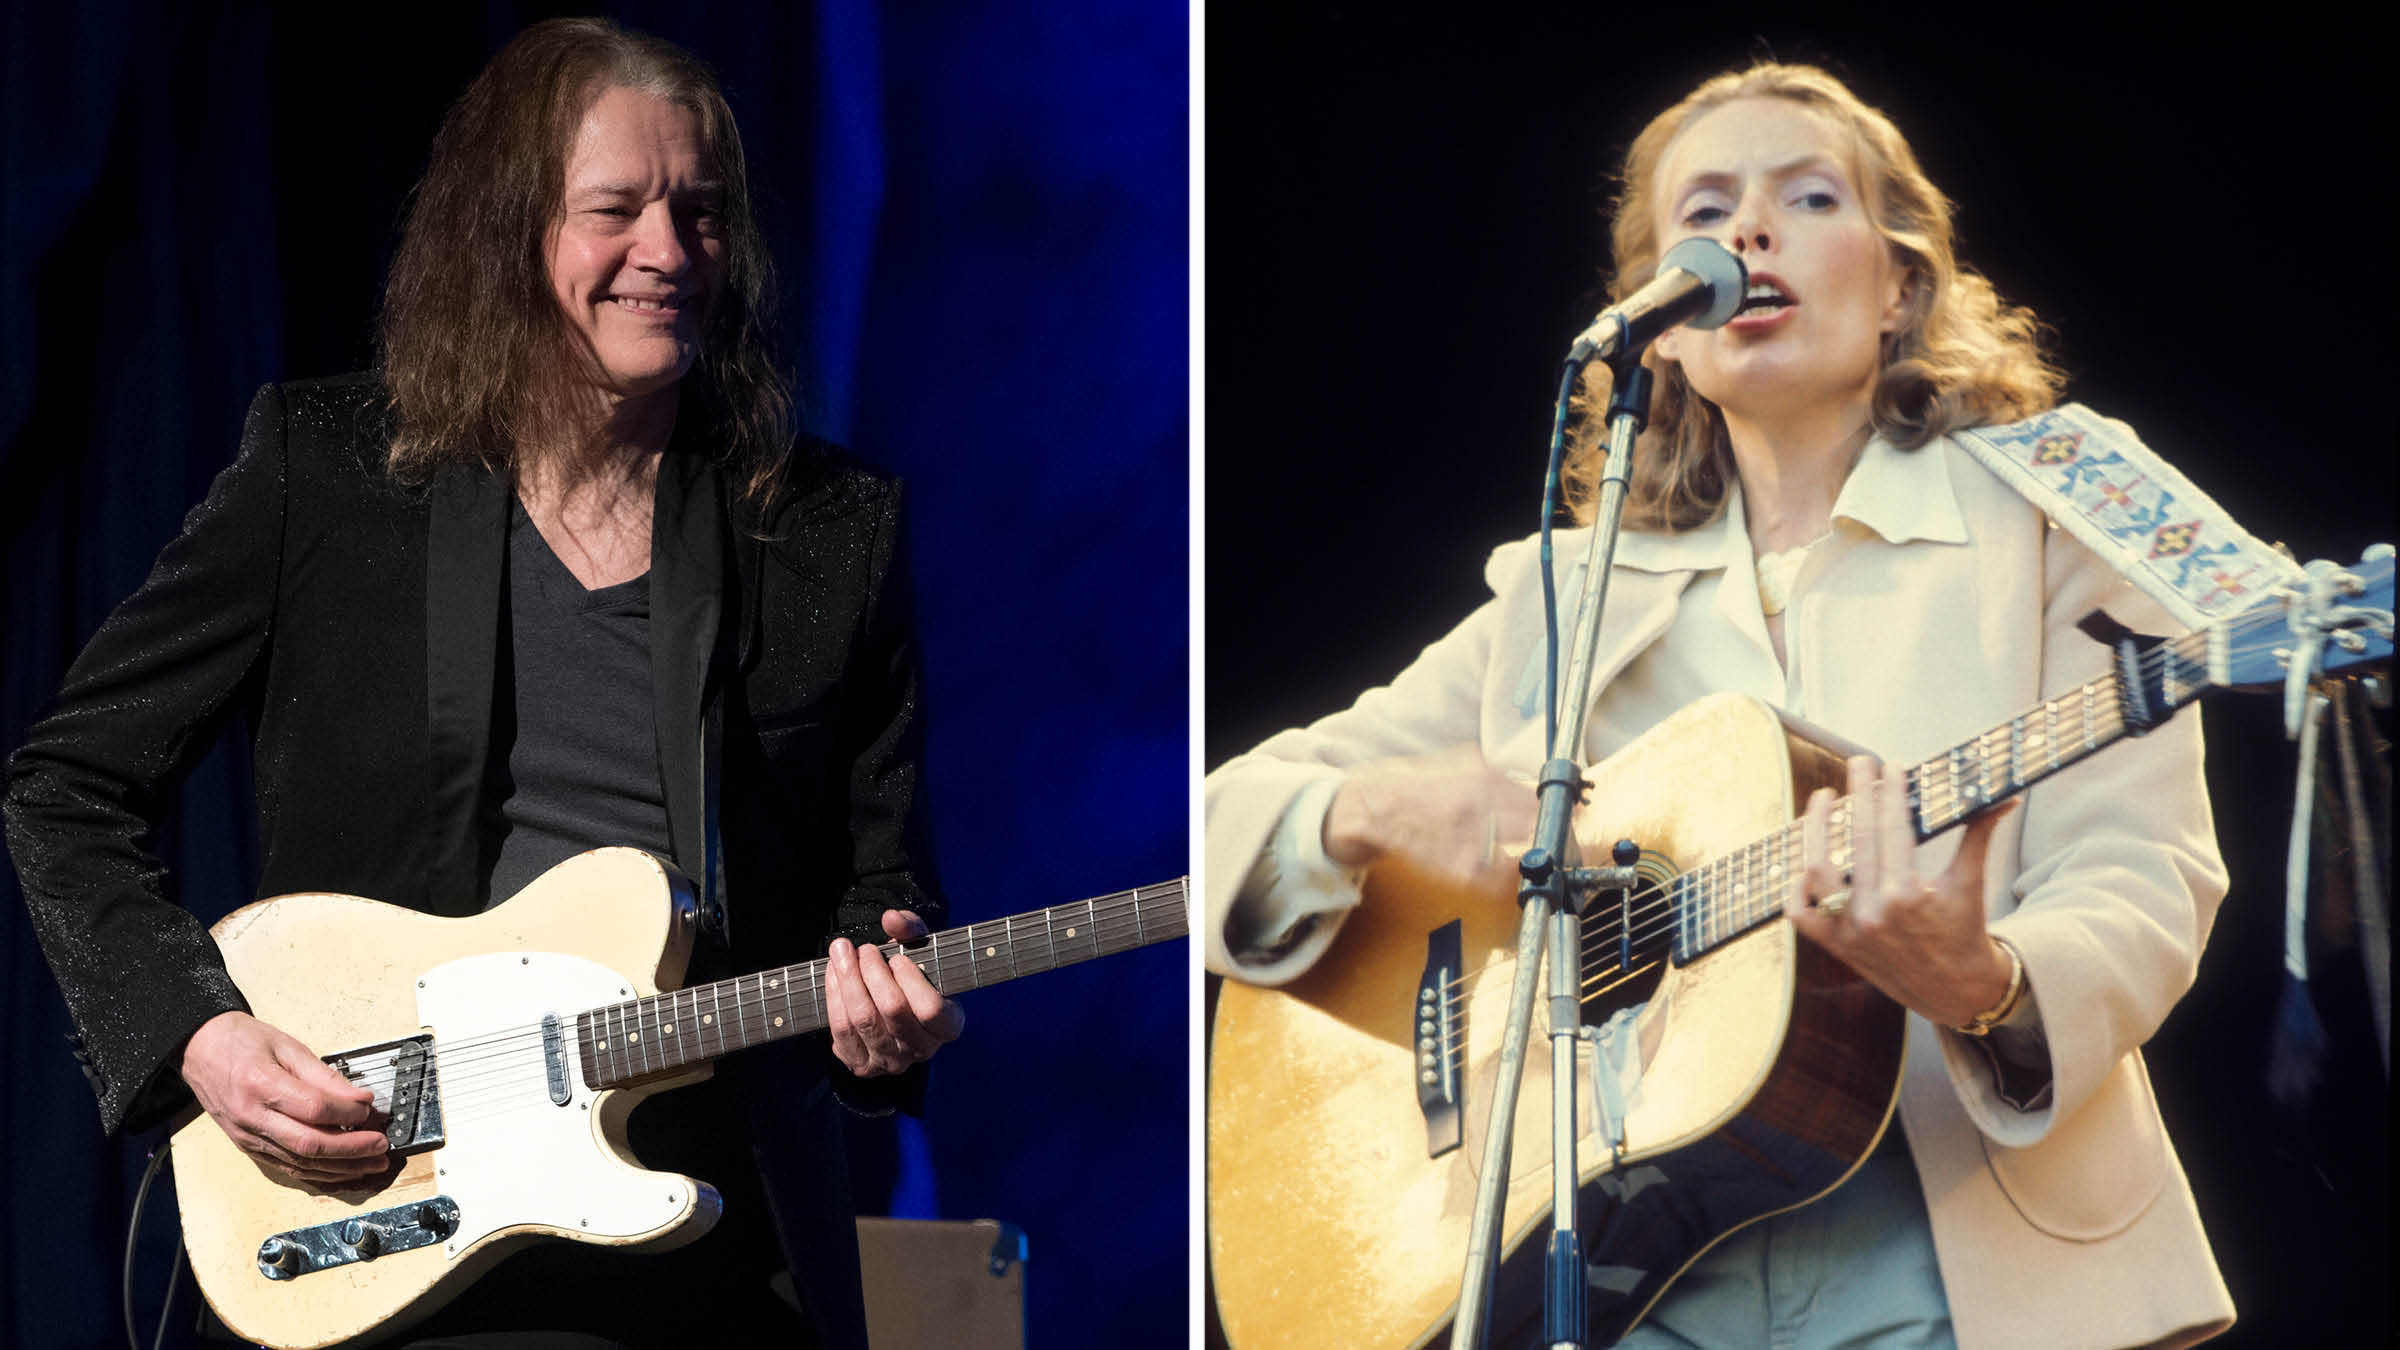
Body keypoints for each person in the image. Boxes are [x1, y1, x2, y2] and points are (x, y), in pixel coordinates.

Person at [1205, 62, 2233, 1349]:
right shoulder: (1564, 600)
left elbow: (2148, 873)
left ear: (1901, 282)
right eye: (1708, 210)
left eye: (1807, 197)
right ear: (1662, 322)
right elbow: (1222, 821)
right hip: (1632, 1287)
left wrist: (1987, 983)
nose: (1748, 233)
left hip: (1961, 1263)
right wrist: (1362, 809)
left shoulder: (2056, 523)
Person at [5, 18, 957, 1349]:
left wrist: (879, 1016)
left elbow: (883, 881)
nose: (670, 255)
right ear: (508, 234)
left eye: (703, 213)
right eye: (616, 211)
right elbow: (65, 785)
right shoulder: (326, 472)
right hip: (371, 1207)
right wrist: (197, 1036)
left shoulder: (831, 528)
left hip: (699, 1232)